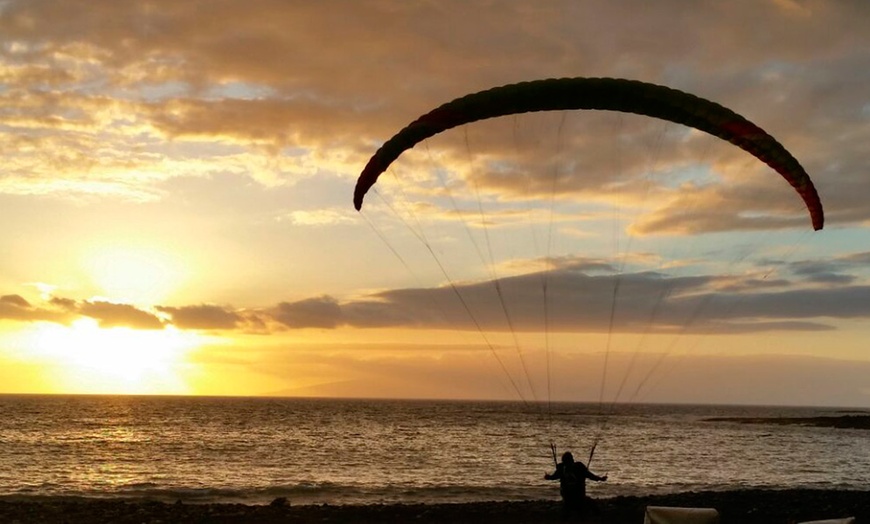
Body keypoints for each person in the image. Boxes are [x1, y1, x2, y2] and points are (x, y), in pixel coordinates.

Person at [544, 451, 607, 516]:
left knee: (569, 510)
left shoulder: (561, 468)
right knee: (592, 505)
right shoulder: (579, 466)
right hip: (579, 497)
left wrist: (548, 477)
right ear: (572, 460)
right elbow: (590, 475)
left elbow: (553, 477)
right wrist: (600, 479)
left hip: (567, 498)